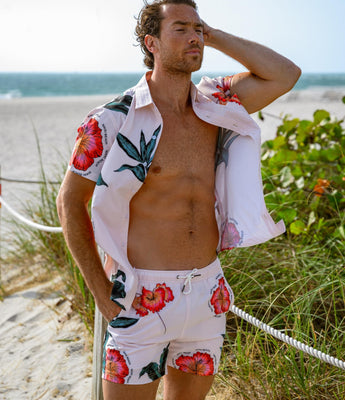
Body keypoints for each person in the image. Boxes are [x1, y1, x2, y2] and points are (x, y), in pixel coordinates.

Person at [56, 0, 301, 398]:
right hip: (139, 296)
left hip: (207, 292)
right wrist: (101, 292)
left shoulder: (216, 103)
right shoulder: (113, 119)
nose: (194, 38)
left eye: (198, 29)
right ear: (151, 42)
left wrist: (214, 33)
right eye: (181, 29)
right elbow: (69, 201)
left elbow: (285, 75)